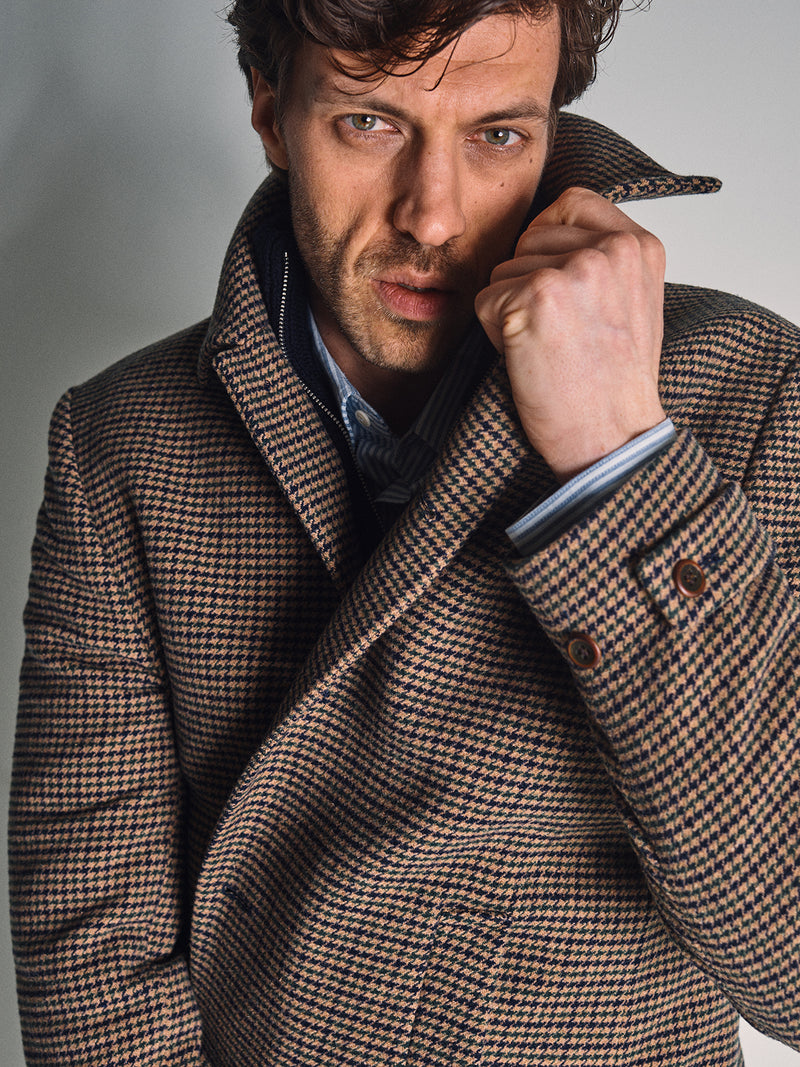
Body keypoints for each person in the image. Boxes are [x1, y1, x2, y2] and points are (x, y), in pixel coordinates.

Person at [9, 0, 800, 1062]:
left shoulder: (747, 390)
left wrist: (619, 460)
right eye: (368, 123)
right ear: (268, 109)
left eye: (496, 136)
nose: (432, 218)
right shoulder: (122, 440)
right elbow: (93, 942)